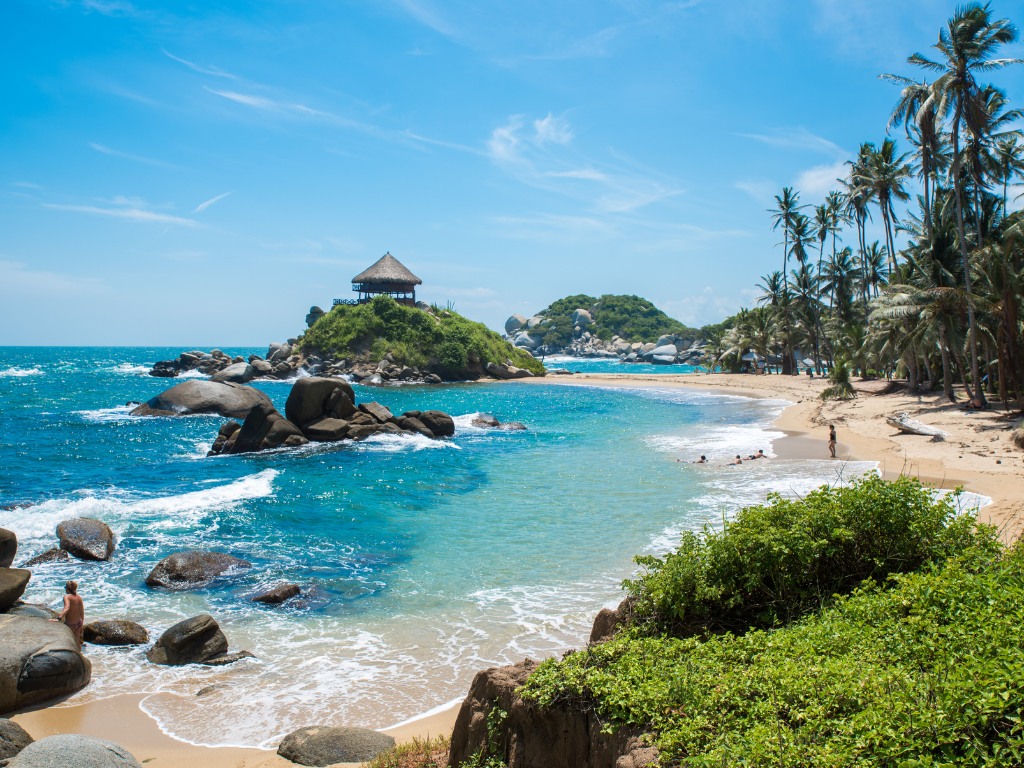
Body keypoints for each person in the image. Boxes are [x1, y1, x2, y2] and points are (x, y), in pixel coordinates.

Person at [54, 580, 84, 648]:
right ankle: (79, 654)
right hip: (78, 623)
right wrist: (81, 625)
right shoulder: (79, 598)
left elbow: (67, 608)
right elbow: (82, 613)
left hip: (70, 625)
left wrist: (59, 618)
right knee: (77, 643)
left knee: (67, 643)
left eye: (65, 587)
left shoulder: (67, 597)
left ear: (68, 588)